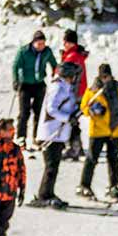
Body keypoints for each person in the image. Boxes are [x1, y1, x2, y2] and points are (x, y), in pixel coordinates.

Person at [77, 63, 118, 203]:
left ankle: (114, 186)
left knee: (113, 159)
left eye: (107, 76)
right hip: (98, 130)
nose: (105, 79)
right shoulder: (92, 90)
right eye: (102, 76)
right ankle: (84, 185)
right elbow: (83, 108)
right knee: (92, 159)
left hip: (114, 130)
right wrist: (92, 111)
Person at [28, 61, 82, 209]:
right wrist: (67, 117)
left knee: (54, 166)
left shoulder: (66, 88)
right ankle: (43, 195)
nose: (76, 77)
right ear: (68, 75)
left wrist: (78, 109)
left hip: (59, 133)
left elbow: (67, 106)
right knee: (51, 166)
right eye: (74, 75)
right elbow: (51, 109)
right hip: (51, 133)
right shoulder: (58, 88)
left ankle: (49, 193)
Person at [12, 30, 57, 149]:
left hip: (39, 84)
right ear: (33, 42)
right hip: (25, 84)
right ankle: (21, 138)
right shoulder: (24, 51)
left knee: (39, 111)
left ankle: (38, 136)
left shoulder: (47, 52)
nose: (41, 46)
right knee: (24, 113)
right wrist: (16, 80)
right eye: (39, 44)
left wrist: (55, 75)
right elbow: (16, 66)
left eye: (43, 43)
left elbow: (54, 64)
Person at [59, 29, 89, 161]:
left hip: (74, 92)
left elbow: (61, 72)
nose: (64, 43)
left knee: (71, 120)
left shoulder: (73, 57)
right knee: (73, 120)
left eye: (66, 41)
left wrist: (63, 59)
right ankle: (78, 147)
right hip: (80, 91)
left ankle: (75, 148)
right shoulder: (75, 54)